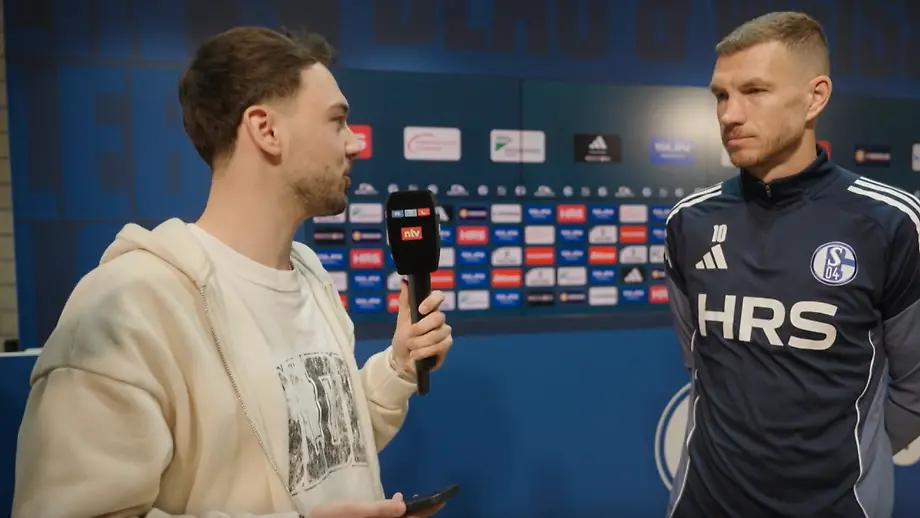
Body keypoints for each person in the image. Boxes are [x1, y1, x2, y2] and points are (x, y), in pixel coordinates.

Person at [12, 27, 453, 518]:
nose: (354, 144)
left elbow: (320, 451)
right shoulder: (127, 305)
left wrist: (397, 368)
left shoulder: (310, 276)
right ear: (266, 130)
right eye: (337, 121)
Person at [664, 11, 920, 518]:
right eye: (721, 95)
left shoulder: (890, 222)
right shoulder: (689, 222)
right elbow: (699, 362)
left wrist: (851, 461)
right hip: (703, 502)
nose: (729, 114)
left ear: (815, 97)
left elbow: (916, 386)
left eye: (754, 91)